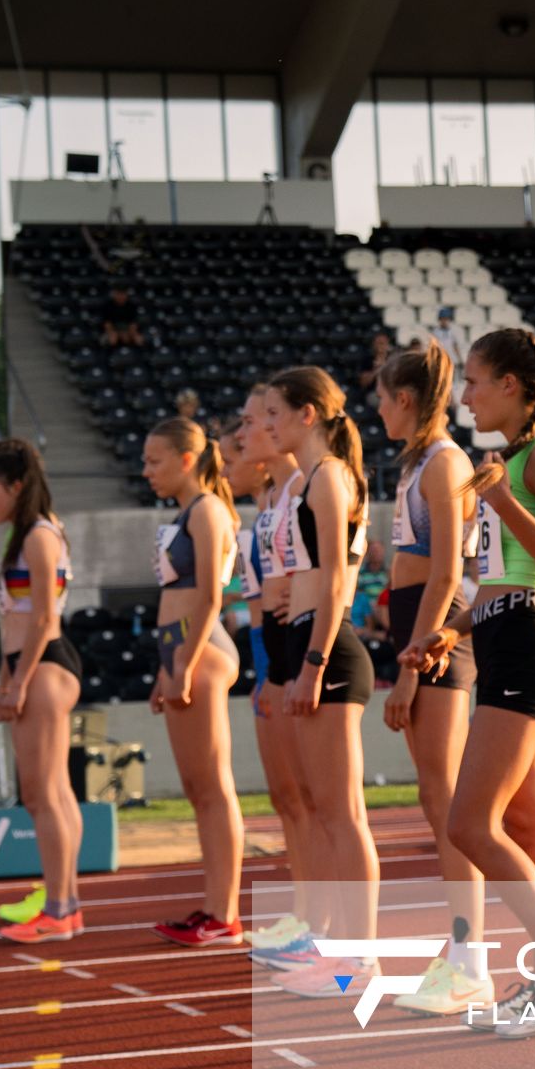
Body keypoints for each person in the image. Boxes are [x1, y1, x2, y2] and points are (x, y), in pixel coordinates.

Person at [401, 329, 535, 1035]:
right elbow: (498, 578)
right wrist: (451, 631)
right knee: (525, 826)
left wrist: (503, 501)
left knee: (469, 823)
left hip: (533, 644)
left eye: (477, 382)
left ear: (512, 385)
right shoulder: (509, 459)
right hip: (502, 640)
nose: (466, 396)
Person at [377, 341, 492, 1016]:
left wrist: (410, 668)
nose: (380, 411)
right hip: (414, 624)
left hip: (437, 627)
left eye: (385, 400)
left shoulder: (445, 462)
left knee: (447, 799)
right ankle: (460, 950)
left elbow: (449, 572)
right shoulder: (420, 463)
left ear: (408, 401)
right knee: (434, 795)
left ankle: (470, 954)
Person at [265, 365, 383, 998]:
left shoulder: (330, 477)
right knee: (330, 814)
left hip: (331, 655)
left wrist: (311, 662)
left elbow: (339, 578)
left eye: (276, 414)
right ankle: (340, 951)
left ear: (307, 415)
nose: (268, 426)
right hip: (315, 643)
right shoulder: (313, 479)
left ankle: (359, 963)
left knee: (343, 815)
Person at [143, 419, 245, 946]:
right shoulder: (187, 512)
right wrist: (167, 667)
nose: (146, 472)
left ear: (187, 460)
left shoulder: (207, 510)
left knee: (212, 786)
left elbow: (210, 596)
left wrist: (182, 661)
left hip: (199, 649)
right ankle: (213, 907)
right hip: (182, 650)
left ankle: (223, 913)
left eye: (154, 461)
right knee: (197, 789)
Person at [0, 439, 84, 942]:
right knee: (51, 792)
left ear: (16, 487)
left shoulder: (40, 536)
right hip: (28, 666)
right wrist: (6, 677)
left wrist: (18, 681)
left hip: (44, 666)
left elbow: (44, 617)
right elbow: (12, 617)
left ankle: (61, 907)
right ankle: (65, 903)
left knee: (43, 795)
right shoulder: (25, 536)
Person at [237, 389, 314, 965]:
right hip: (276, 650)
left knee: (312, 799)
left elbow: (322, 574)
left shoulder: (306, 487)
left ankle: (319, 922)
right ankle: (305, 914)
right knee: (289, 798)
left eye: (254, 420)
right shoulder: (271, 499)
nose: (243, 433)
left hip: (301, 647)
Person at [101, 281, 143, 349]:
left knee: (138, 339)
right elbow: (107, 324)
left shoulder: (131, 306)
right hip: (112, 330)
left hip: (127, 329)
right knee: (112, 338)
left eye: (123, 294)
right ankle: (110, 357)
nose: (120, 296)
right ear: (114, 294)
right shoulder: (107, 306)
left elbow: (133, 325)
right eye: (118, 294)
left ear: (126, 294)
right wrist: (114, 333)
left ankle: (133, 356)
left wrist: (130, 334)